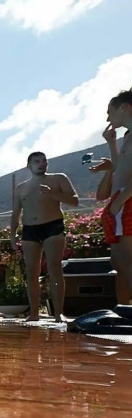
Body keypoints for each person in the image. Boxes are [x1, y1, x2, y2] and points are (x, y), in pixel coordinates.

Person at [10, 152, 79, 322]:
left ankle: (58, 313)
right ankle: (34, 313)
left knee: (54, 269)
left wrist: (53, 194)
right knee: (31, 272)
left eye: (44, 161)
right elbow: (16, 213)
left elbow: (74, 200)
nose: (42, 164)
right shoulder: (20, 188)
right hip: (29, 229)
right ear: (29, 166)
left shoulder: (58, 178)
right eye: (37, 161)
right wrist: (12, 234)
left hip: (52, 226)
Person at [89, 89, 132, 305]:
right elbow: (119, 167)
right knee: (119, 262)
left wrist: (121, 199)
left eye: (110, 112)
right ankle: (125, 310)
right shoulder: (128, 136)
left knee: (126, 261)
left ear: (124, 108)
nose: (108, 118)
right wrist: (111, 143)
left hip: (126, 201)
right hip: (121, 201)